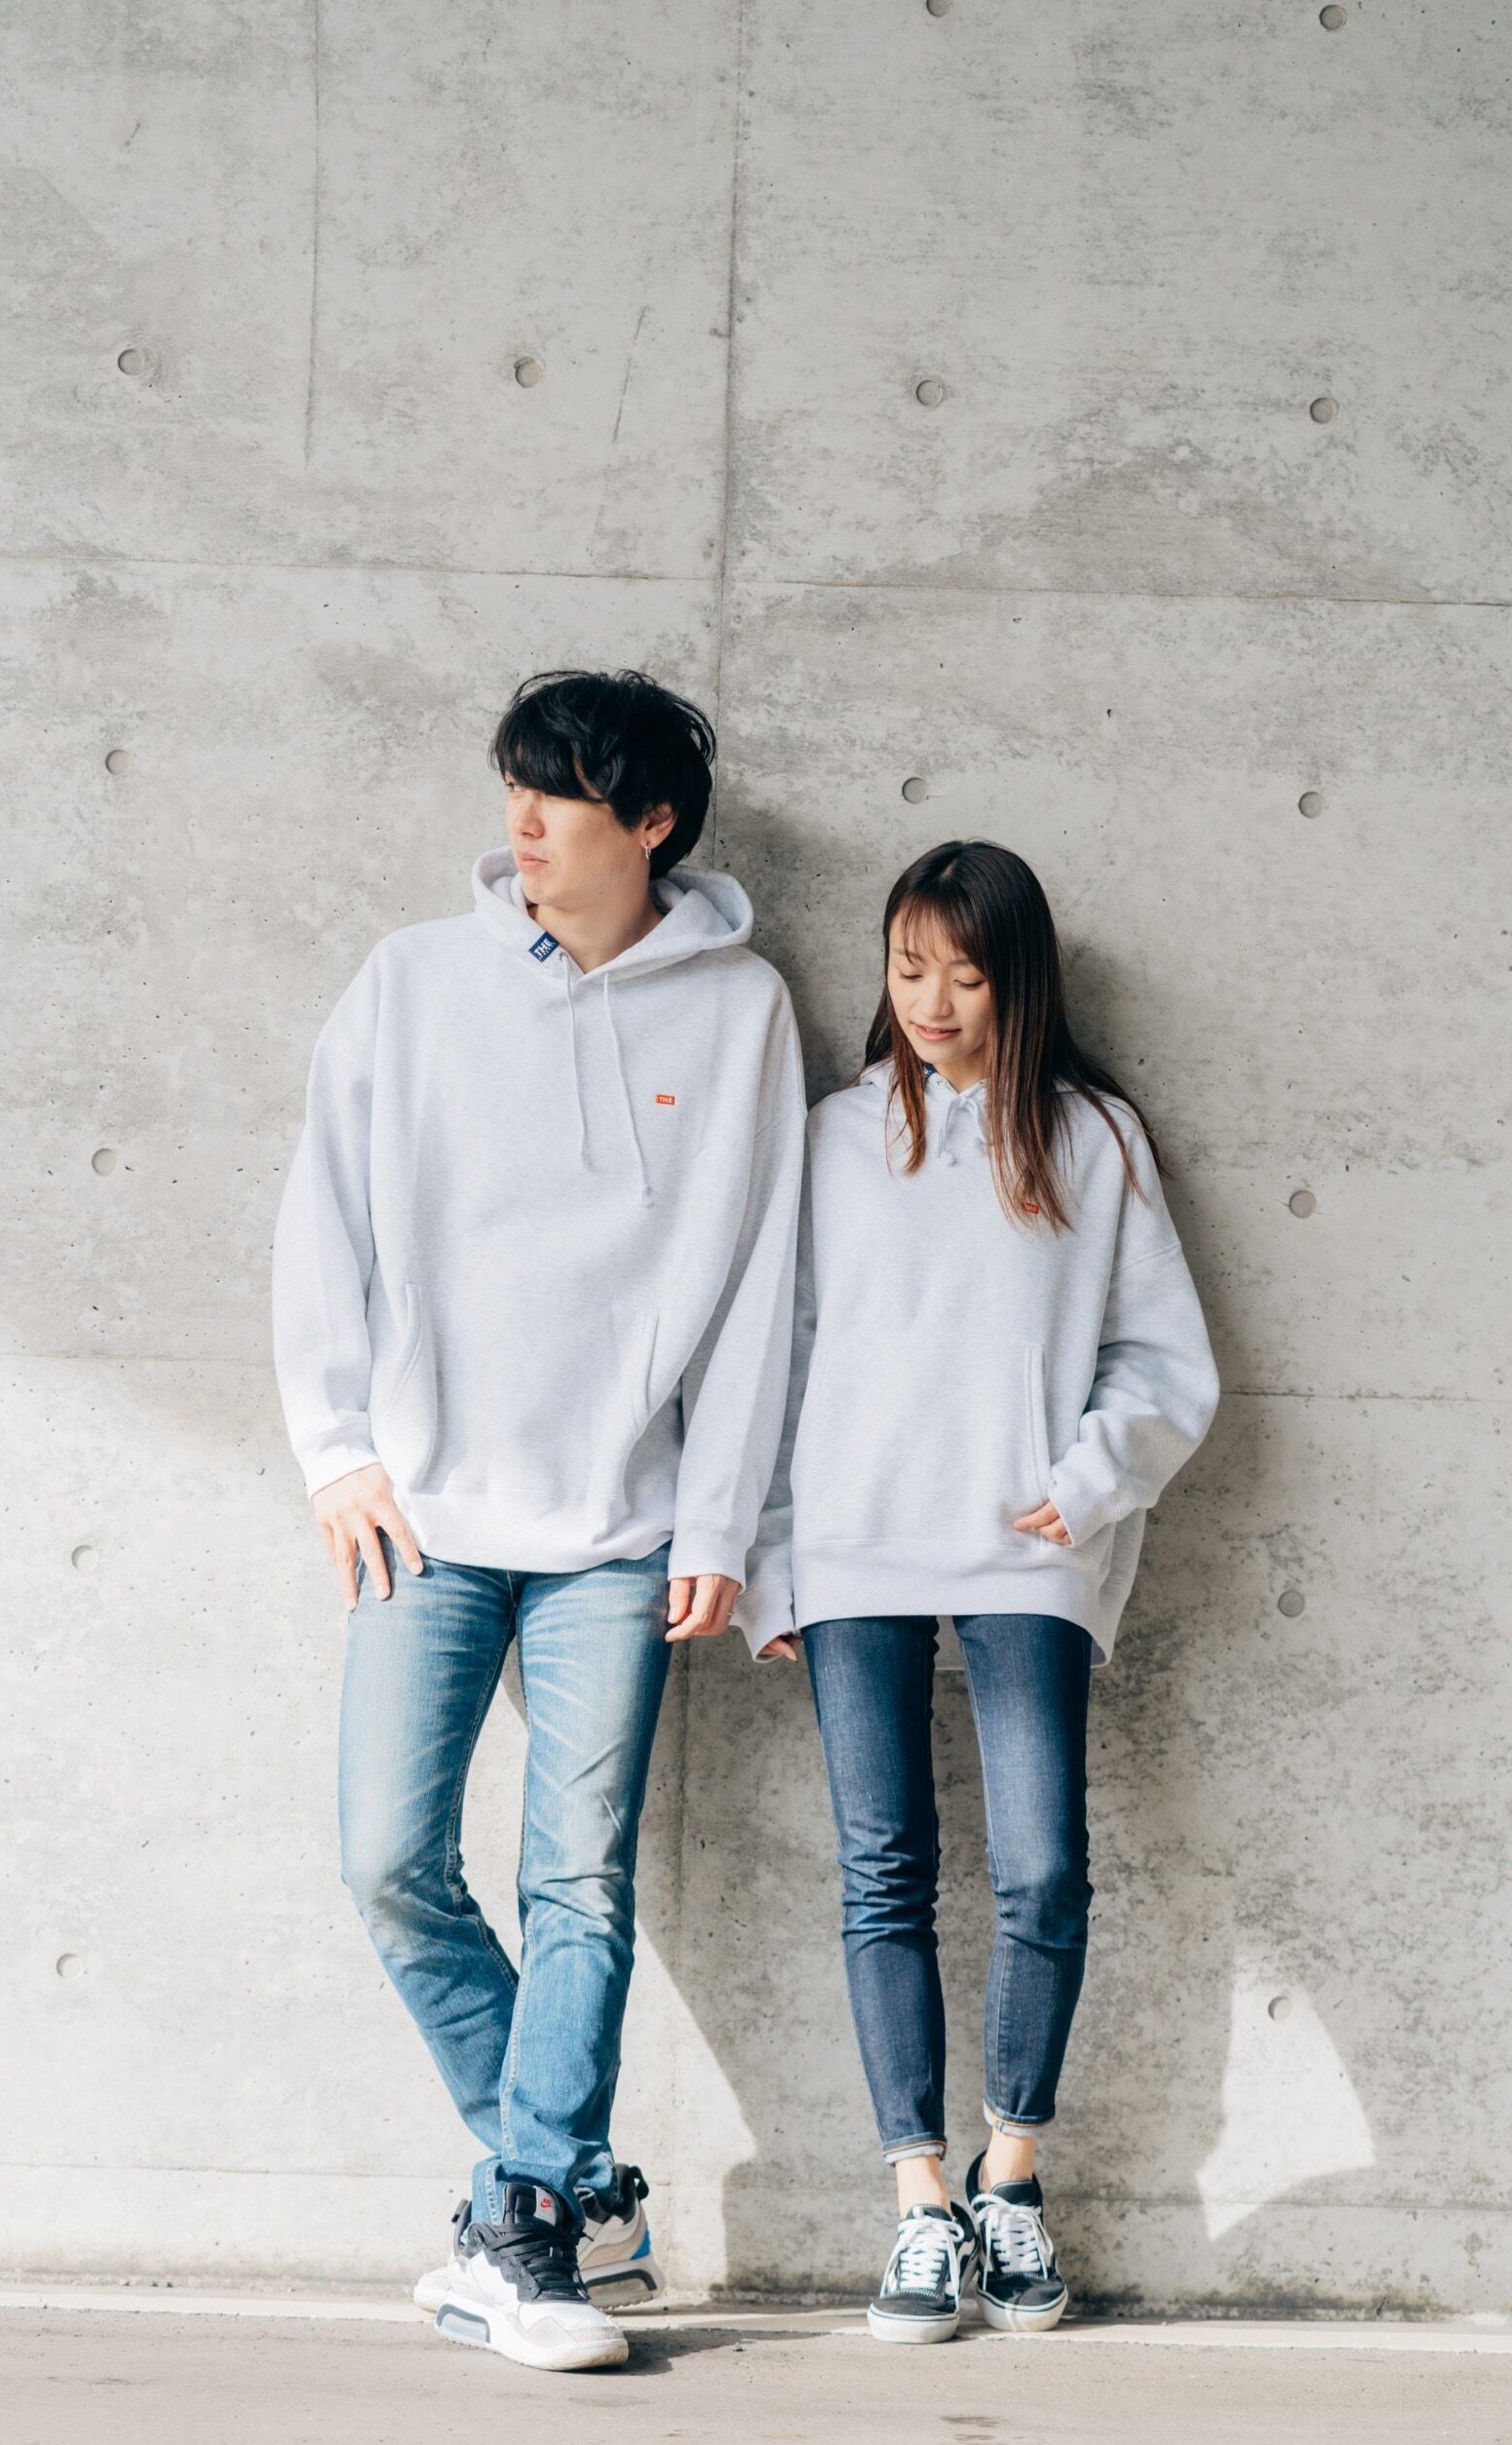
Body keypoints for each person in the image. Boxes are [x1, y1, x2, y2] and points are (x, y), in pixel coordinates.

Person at [270, 669, 805, 2371]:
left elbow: (761, 1286)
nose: (523, 818)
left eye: (562, 791)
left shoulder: (742, 1012)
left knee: (578, 1880)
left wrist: (720, 1518)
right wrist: (335, 1448)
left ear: (651, 822)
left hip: (622, 1528)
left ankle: (522, 2234)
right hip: (423, 1512)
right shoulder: (412, 980)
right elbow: (323, 1214)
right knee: (387, 1862)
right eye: (516, 782)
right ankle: (573, 2187)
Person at [745, 838, 1220, 2345]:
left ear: (1020, 979)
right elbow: (774, 1360)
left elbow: (1165, 1359)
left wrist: (1090, 1480)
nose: (932, 1000)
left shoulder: (1094, 1138)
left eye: (963, 971)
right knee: (882, 1871)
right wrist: (771, 1558)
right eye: (907, 969)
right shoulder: (829, 1138)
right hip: (856, 1546)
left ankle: (1010, 2179)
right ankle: (918, 2204)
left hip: (1025, 1548)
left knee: (1043, 1871)